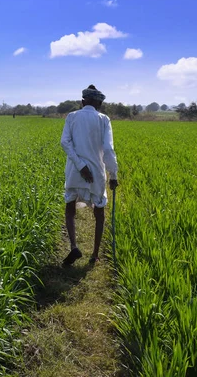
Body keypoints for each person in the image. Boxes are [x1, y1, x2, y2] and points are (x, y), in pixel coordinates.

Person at [60, 84, 118, 266]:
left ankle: (74, 246)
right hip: (96, 174)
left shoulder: (72, 117)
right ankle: (94, 254)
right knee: (99, 213)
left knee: (70, 209)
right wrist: (113, 174)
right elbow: (108, 149)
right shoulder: (104, 119)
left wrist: (80, 165)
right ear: (99, 103)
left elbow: (65, 143)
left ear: (82, 101)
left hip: (75, 171)